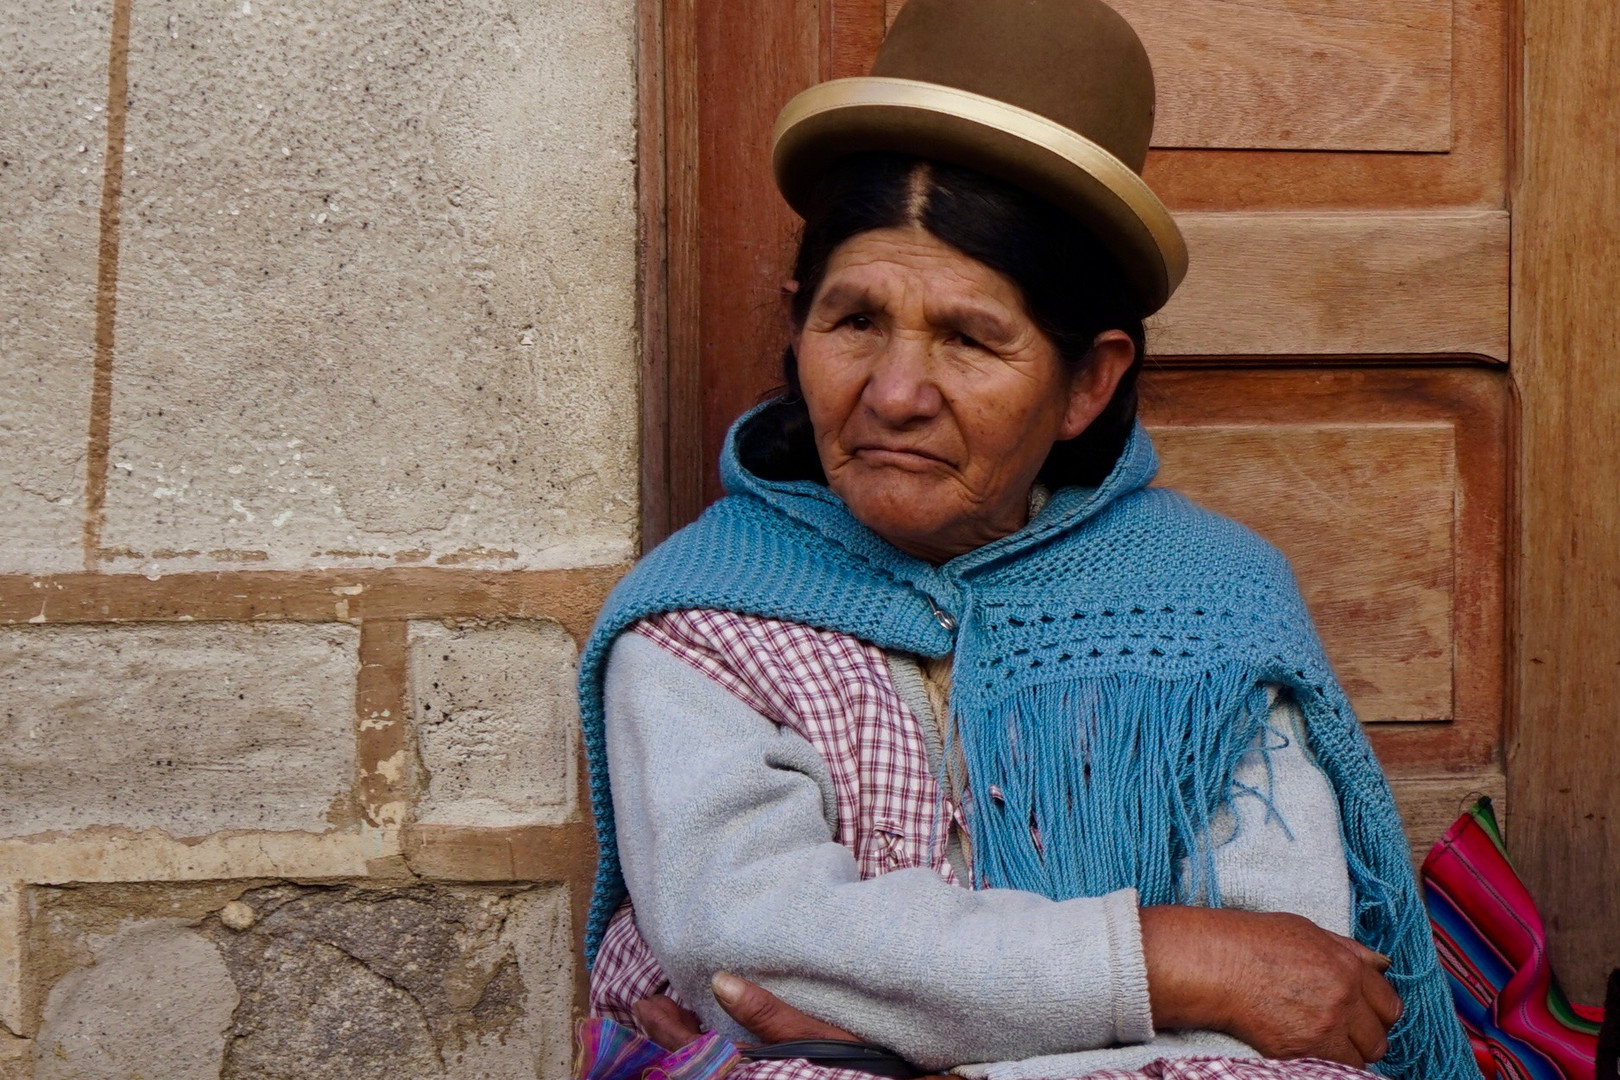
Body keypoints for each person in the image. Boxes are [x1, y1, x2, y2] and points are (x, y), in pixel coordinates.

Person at [575, 1, 1482, 1078]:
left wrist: (889, 1048)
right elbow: (743, 939)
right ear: (796, 320)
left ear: (1088, 384)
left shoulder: (1209, 606)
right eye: (855, 321)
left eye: (968, 338)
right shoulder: (699, 623)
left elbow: (1290, 998)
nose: (896, 394)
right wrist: (1165, 960)